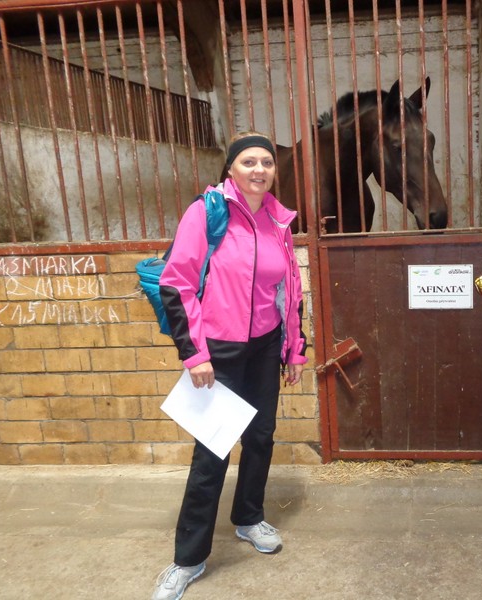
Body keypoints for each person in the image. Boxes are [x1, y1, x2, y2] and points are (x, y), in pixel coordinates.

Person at [151, 131, 307, 600]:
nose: (259, 170)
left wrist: (294, 348)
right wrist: (195, 353)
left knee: (260, 437)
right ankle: (188, 559)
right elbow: (176, 283)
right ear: (231, 169)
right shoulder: (207, 212)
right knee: (212, 451)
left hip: (265, 345)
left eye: (267, 162)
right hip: (219, 348)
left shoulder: (279, 220)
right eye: (248, 162)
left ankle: (249, 517)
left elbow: (289, 289)